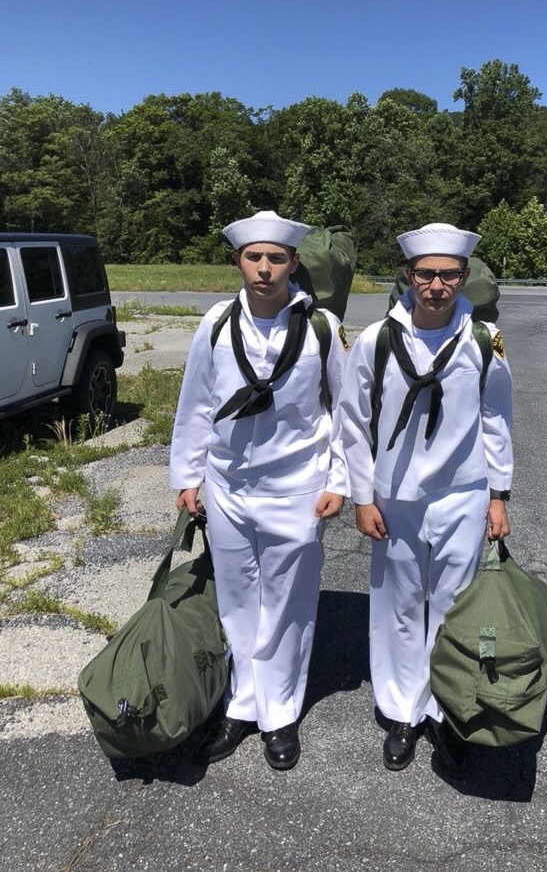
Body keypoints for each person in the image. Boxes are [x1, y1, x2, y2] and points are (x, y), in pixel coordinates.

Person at [169, 210, 347, 771]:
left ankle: (280, 714)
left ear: (293, 263)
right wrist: (187, 475)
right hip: (227, 487)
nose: (264, 269)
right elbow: (195, 402)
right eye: (254, 257)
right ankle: (243, 704)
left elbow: (346, 412)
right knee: (239, 601)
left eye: (276, 258)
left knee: (289, 607)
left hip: (297, 486)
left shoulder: (322, 328)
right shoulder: (217, 324)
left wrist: (340, 481)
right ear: (238, 262)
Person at [337, 222, 513, 776]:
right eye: (426, 274)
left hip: (463, 494)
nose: (437, 285)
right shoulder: (378, 340)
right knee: (399, 609)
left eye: (449, 275)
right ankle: (401, 711)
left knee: (452, 607)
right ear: (409, 276)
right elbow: (352, 422)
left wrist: (499, 495)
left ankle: (445, 708)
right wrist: (362, 496)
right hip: (397, 499)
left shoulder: (483, 342)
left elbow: (496, 421)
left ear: (464, 278)